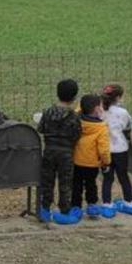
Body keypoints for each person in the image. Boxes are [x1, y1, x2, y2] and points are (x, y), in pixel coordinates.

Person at [37, 79, 82, 224]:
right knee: (65, 183)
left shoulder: (48, 112)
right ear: (75, 97)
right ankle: (64, 211)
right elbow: (77, 135)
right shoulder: (74, 117)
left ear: (57, 94)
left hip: (49, 150)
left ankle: (44, 209)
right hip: (66, 153)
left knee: (47, 181)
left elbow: (41, 129)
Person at [72, 94, 112, 220]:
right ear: (96, 109)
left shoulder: (76, 120)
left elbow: (77, 111)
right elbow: (104, 149)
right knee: (91, 185)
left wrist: (82, 105)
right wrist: (106, 162)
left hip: (76, 160)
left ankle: (75, 206)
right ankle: (92, 206)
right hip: (92, 163)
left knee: (76, 184)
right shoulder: (101, 128)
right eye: (100, 105)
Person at [101, 84, 132, 209]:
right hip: (121, 149)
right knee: (123, 176)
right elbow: (128, 126)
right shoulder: (123, 112)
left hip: (105, 150)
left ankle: (106, 203)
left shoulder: (100, 111)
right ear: (119, 97)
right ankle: (129, 201)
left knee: (107, 178)